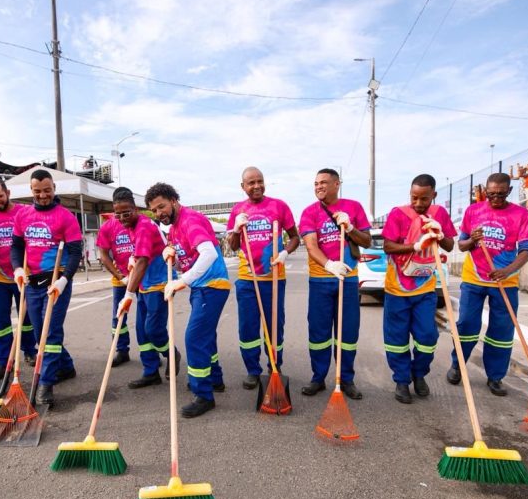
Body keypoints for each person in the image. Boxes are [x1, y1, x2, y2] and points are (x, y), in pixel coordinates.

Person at [446, 172, 528, 396]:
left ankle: (495, 377)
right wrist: (473, 240)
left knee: (501, 331)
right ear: (485, 192)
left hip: (504, 282)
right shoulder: (473, 211)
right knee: (467, 325)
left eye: (500, 194)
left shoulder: (521, 214)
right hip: (473, 279)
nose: (495, 199)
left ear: (509, 191)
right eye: (490, 194)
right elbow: (462, 245)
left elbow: (527, 250)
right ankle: (457, 366)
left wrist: (507, 271)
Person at [145, 182, 230, 418]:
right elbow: (179, 247)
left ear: (174, 200)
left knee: (194, 338)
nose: (159, 213)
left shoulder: (190, 220)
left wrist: (183, 280)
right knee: (206, 336)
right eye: (154, 210)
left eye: (162, 206)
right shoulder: (174, 226)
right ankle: (215, 379)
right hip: (203, 287)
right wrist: (169, 250)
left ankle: (203, 394)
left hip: (211, 286)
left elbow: (209, 253)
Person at [381, 174, 457, 404]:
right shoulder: (398, 214)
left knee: (427, 337)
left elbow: (450, 245)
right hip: (397, 290)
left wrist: (440, 234)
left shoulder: (440, 214)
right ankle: (402, 381)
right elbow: (388, 246)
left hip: (425, 289)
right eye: (414, 197)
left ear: (433, 195)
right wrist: (415, 245)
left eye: (424, 199)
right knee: (397, 339)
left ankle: (419, 373)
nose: (418, 203)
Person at [10, 169, 82, 404]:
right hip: (32, 281)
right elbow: (16, 247)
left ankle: (45, 383)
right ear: (31, 191)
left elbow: (74, 252)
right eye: (38, 191)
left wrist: (64, 280)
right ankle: (66, 366)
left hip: (56, 281)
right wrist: (17, 269)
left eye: (47, 190)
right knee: (40, 331)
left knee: (50, 333)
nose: (43, 195)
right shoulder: (22, 215)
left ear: (54, 189)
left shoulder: (66, 217)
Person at [298, 168, 372, 398]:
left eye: (323, 182)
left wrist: (350, 228)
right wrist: (330, 265)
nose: (319, 186)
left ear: (337, 184)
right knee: (319, 333)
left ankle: (346, 378)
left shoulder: (354, 207)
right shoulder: (309, 212)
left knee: (347, 333)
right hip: (321, 281)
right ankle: (318, 378)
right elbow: (311, 246)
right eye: (316, 183)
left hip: (347, 281)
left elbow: (367, 241)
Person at [225, 166, 300, 389]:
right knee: (248, 328)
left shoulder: (279, 206)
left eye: (260, 181)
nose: (256, 186)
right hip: (247, 279)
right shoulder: (238, 209)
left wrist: (285, 252)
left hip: (274, 279)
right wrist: (237, 229)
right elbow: (233, 245)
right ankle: (252, 370)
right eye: (251, 182)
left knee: (275, 326)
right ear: (243, 187)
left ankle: (274, 366)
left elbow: (294, 236)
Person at [106, 187, 181, 389]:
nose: (122, 217)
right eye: (118, 213)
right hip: (145, 285)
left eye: (127, 212)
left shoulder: (144, 226)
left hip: (160, 284)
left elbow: (143, 261)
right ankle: (151, 371)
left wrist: (128, 294)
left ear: (136, 209)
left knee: (153, 329)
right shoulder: (131, 226)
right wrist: (132, 258)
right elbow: (139, 254)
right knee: (141, 330)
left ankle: (170, 353)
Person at [0, 176, 36, 380]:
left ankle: (30, 351)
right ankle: (3, 360)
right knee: (1, 321)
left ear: (8, 193)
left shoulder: (24, 212)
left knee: (27, 317)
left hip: (23, 273)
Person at [97, 207, 134, 367]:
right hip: (121, 279)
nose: (122, 216)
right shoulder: (107, 227)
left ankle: (151, 353)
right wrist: (120, 276)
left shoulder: (138, 223)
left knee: (147, 319)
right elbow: (104, 255)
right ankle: (121, 350)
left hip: (141, 277)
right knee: (118, 316)